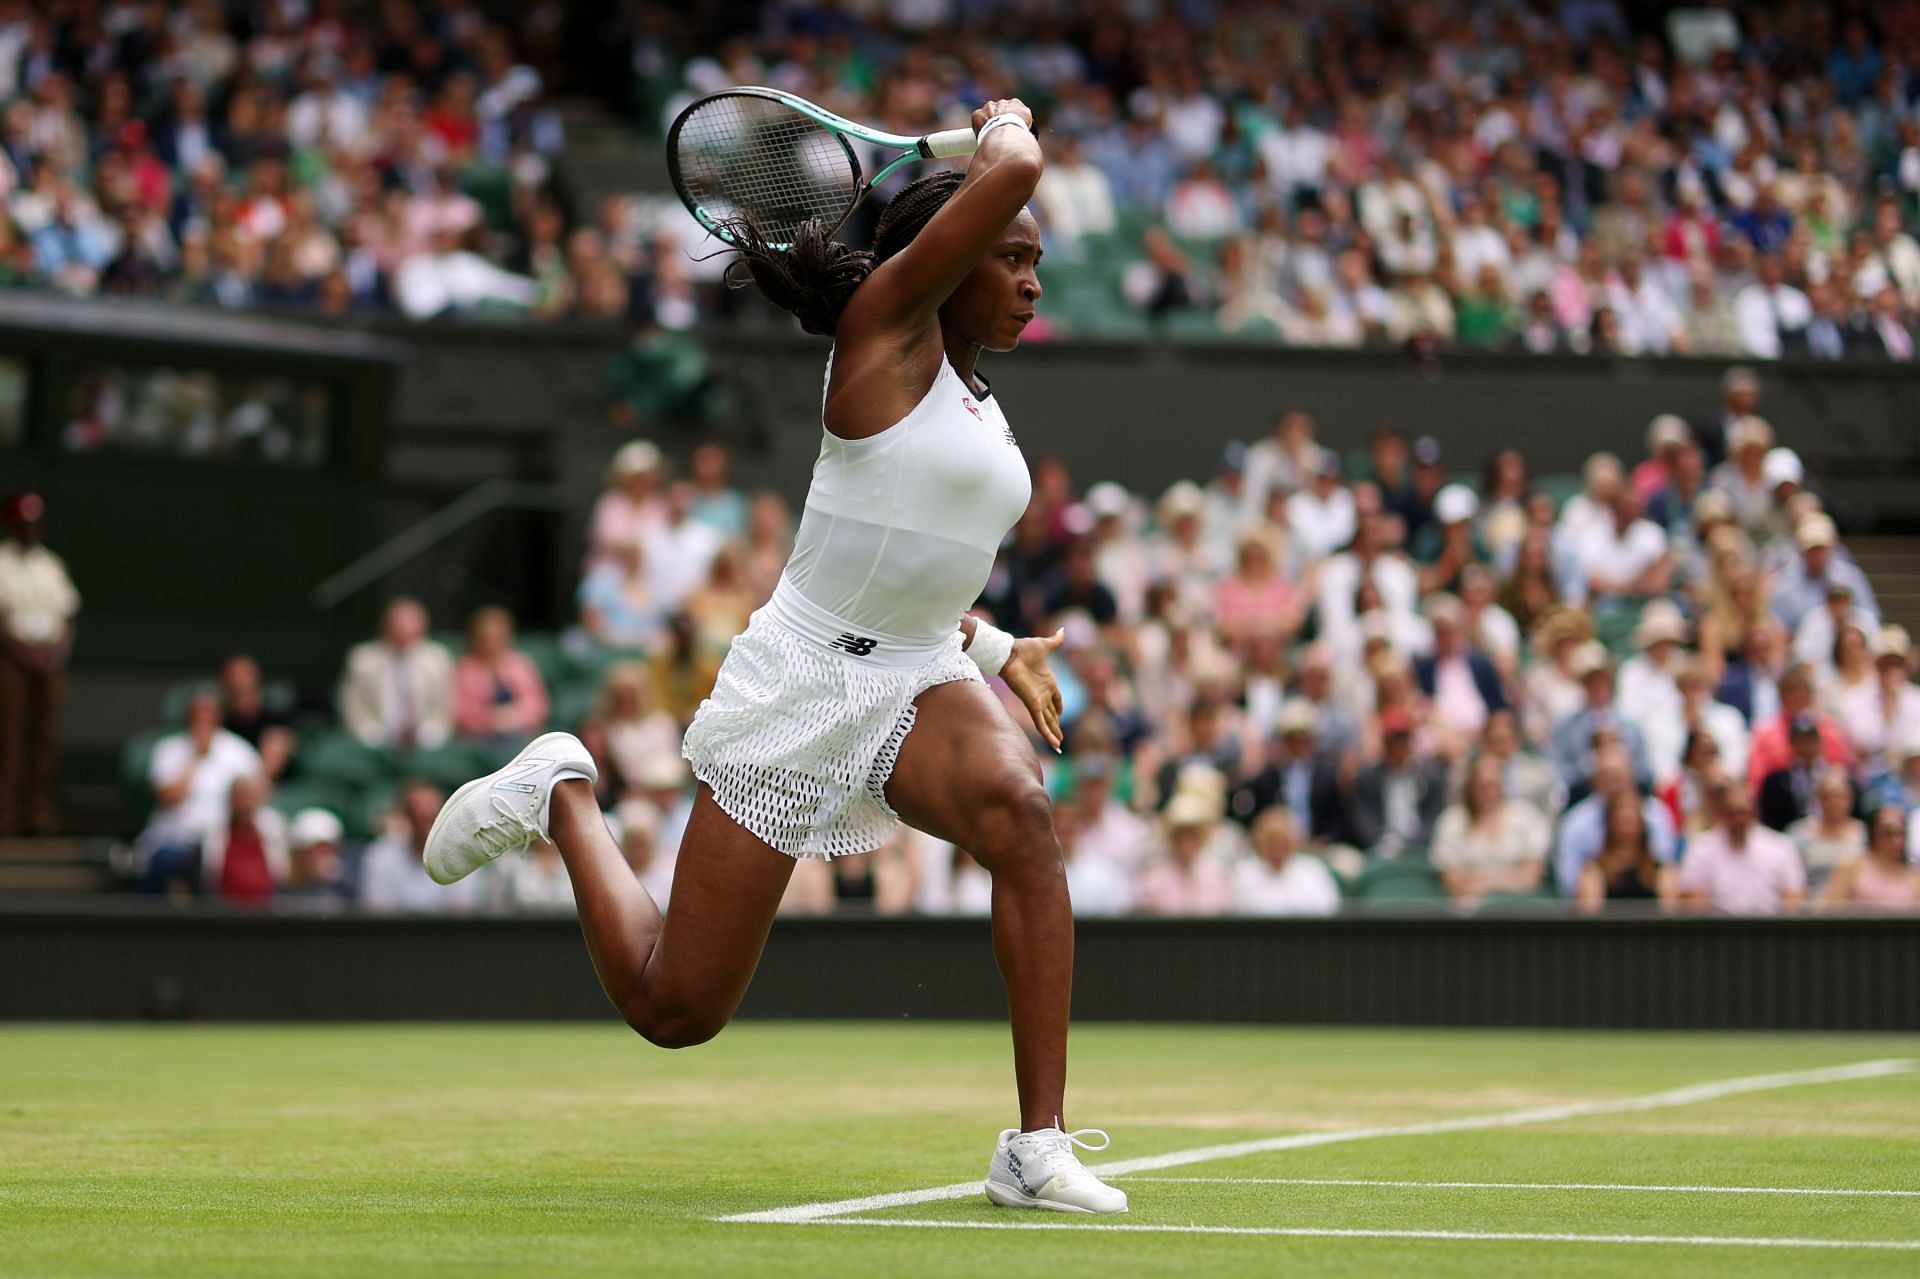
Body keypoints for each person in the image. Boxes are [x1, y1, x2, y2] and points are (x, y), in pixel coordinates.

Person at [417, 101, 1127, 1213]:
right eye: (1014, 254)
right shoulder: (888, 327)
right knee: (676, 1006)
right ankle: (561, 793)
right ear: (942, 262)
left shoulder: (983, 408)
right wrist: (1008, 126)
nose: (1035, 280)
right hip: (799, 679)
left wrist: (994, 646)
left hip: (914, 673)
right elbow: (1021, 161)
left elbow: (906, 565)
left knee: (1023, 822)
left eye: (1039, 259)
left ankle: (1036, 1146)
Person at [0, 490, 79, 835]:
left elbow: (68, 614)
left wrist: (57, 651)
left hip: (50, 662)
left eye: (35, 524)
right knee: (10, 736)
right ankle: (6, 813)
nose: (30, 531)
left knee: (44, 736)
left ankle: (38, 813)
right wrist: (24, 652)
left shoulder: (52, 565)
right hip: (13, 659)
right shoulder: (2, 562)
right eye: (24, 524)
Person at [138, 689, 263, 894]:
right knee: (166, 860)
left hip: (221, 843)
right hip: (174, 839)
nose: (204, 722)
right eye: (198, 716)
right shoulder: (168, 749)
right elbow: (170, 797)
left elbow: (257, 794)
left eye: (209, 716)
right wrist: (195, 757)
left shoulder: (238, 751)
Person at [1428, 753, 1551, 904]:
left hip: (1519, 907)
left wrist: (1482, 885)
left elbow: (1530, 877)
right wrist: (1509, 877)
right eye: (1481, 784)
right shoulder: (1452, 821)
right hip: (1469, 909)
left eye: (1493, 784)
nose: (1488, 791)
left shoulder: (1527, 816)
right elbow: (1452, 879)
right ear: (1471, 785)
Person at [338, 596, 455, 751]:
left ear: (423, 627)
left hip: (428, 743)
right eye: (398, 624)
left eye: (411, 623)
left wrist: (429, 734)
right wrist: (372, 735)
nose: (404, 630)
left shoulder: (439, 659)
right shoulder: (362, 658)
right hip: (374, 742)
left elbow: (447, 708)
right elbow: (351, 707)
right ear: (386, 627)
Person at [1676, 782, 1808, 916]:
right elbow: (1692, 902)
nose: (1739, 819)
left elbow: (1793, 899)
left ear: (1755, 812)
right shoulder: (1701, 848)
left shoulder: (1780, 846)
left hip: (1769, 930)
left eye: (1744, 812)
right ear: (1722, 813)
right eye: (1732, 813)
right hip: (1716, 931)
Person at [362, 780, 478, 914]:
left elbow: (461, 914)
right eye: (419, 818)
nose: (427, 826)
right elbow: (379, 914)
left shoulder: (464, 856)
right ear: (406, 818)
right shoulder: (379, 856)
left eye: (432, 817)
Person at [452, 606, 549, 754]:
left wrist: (515, 717)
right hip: (481, 741)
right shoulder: (465, 668)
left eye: (497, 637)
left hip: (521, 735)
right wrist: (491, 720)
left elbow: (538, 703)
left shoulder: (520, 663)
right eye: (486, 637)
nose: (491, 643)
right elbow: (462, 712)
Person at [1575, 795, 1677, 914]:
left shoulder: (1661, 870)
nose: (1625, 828)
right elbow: (1588, 915)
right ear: (1611, 824)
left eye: (1630, 820)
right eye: (1621, 821)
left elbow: (1671, 913)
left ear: (1641, 824)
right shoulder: (1594, 870)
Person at [1232, 807, 1340, 916]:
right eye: (1272, 840)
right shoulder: (1242, 874)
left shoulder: (1314, 871)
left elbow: (1330, 913)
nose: (1278, 846)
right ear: (1258, 840)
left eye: (1283, 840)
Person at [200, 774, 287, 905]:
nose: (246, 802)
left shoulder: (274, 829)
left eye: (251, 796)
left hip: (267, 909)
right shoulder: (215, 831)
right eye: (241, 796)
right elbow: (209, 875)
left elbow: (282, 874)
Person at [1816, 807, 1920, 912]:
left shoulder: (1915, 876)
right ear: (1872, 832)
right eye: (1888, 833)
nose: (1896, 840)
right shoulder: (1851, 867)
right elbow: (1826, 911)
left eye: (1901, 833)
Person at [1786, 769, 1868, 892]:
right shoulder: (1799, 832)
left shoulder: (1864, 832)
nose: (1834, 802)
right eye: (1827, 797)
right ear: (1818, 798)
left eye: (1839, 796)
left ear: (1851, 798)